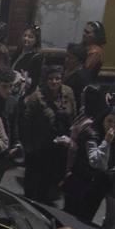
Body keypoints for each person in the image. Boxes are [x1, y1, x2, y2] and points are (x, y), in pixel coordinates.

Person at [23, 66, 76, 203]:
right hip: (41, 143)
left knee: (53, 177)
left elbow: (73, 114)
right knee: (36, 176)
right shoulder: (36, 97)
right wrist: (28, 145)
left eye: (57, 78)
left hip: (61, 144)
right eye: (51, 79)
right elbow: (27, 122)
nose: (54, 81)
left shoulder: (68, 92)